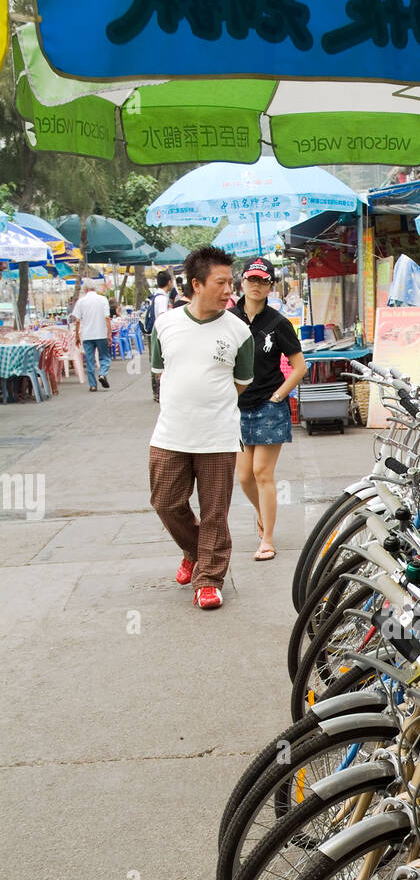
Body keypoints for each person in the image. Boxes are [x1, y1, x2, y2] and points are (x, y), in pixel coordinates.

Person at [148, 246, 254, 611]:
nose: (230, 290)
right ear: (196, 284)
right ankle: (194, 551)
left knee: (214, 512)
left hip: (218, 435)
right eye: (221, 282)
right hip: (170, 433)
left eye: (231, 282)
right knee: (165, 503)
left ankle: (208, 579)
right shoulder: (165, 324)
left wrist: (212, 404)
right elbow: (161, 373)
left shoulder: (239, 331)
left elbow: (242, 382)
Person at [230, 256, 307, 562]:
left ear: (271, 286)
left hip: (269, 406)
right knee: (245, 477)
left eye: (263, 281)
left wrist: (279, 396)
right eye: (252, 280)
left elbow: (299, 367)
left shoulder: (278, 323)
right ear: (242, 282)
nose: (257, 286)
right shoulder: (228, 319)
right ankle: (263, 514)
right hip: (236, 407)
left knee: (262, 473)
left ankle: (267, 539)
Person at [72, 278, 112, 392]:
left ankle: (93, 385)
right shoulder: (103, 299)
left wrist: (76, 336)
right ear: (95, 288)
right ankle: (102, 374)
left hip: (87, 335)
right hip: (101, 333)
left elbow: (77, 321)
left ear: (85, 289)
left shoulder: (81, 301)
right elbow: (107, 318)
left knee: (89, 360)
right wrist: (109, 333)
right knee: (105, 357)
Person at [148, 270, 174, 402]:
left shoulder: (155, 296)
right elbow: (162, 316)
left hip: (156, 332)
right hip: (160, 334)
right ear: (169, 282)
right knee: (158, 364)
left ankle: (157, 392)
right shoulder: (162, 298)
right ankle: (158, 393)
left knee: (156, 364)